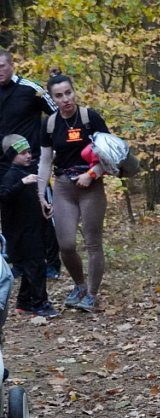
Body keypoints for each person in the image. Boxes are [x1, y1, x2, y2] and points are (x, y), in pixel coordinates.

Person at [37, 73, 110, 312]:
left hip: (91, 186)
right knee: (66, 244)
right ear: (52, 98)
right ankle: (79, 285)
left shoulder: (90, 118)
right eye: (59, 95)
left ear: (73, 91)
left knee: (92, 242)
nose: (65, 99)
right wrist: (41, 194)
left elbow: (111, 155)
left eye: (68, 93)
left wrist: (92, 174)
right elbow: (45, 161)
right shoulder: (49, 124)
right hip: (63, 186)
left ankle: (92, 294)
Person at [0, 51, 61, 278]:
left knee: (41, 210)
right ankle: (17, 263)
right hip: (4, 167)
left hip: (32, 162)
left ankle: (52, 263)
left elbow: (57, 112)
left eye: (2, 66)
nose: (0, 71)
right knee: (10, 216)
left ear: (11, 65)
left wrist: (52, 148)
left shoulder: (30, 89)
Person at [0, 135, 56, 317]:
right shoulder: (12, 175)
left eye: (29, 152)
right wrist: (21, 184)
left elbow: (33, 198)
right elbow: (4, 196)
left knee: (30, 266)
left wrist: (44, 205)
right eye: (23, 153)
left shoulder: (27, 173)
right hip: (20, 232)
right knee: (36, 266)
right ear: (12, 156)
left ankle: (24, 302)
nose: (28, 156)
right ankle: (40, 304)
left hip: (34, 228)